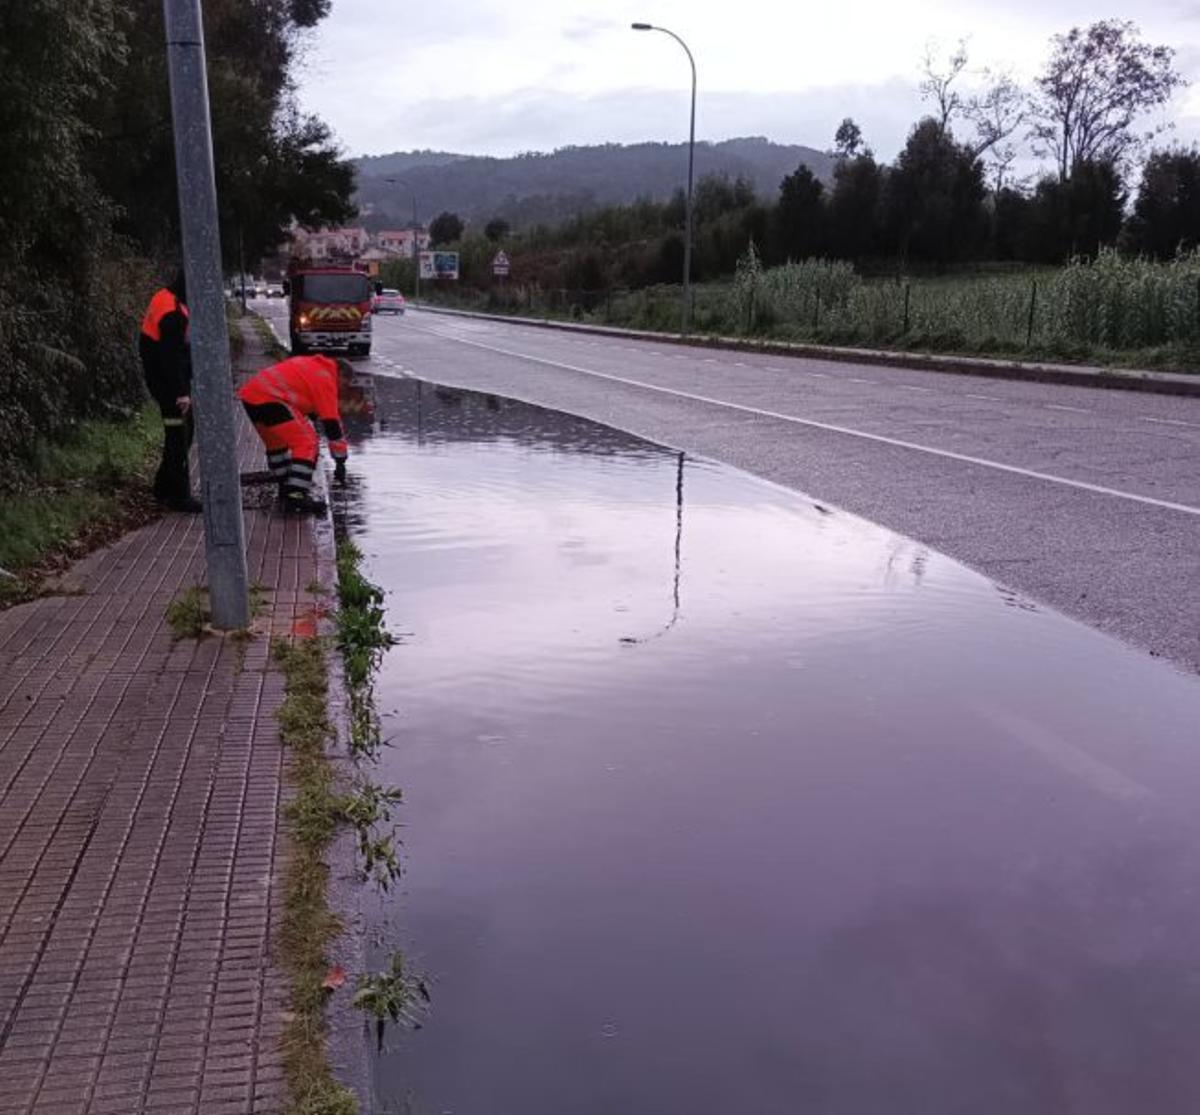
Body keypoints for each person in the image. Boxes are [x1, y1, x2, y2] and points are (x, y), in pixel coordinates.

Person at [237, 353, 350, 514]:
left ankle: (285, 486)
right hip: (272, 398)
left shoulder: (312, 365)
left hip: (251, 396)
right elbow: (332, 423)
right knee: (308, 443)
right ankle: (295, 495)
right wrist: (340, 461)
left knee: (277, 444)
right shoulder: (326, 378)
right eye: (344, 385)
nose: (341, 390)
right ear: (341, 375)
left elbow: (309, 402)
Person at [139, 271, 200, 512]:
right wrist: (181, 393)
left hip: (163, 381)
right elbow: (170, 357)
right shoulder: (173, 313)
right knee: (179, 434)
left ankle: (163, 486)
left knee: (183, 431)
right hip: (168, 387)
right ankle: (178, 496)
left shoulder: (167, 298)